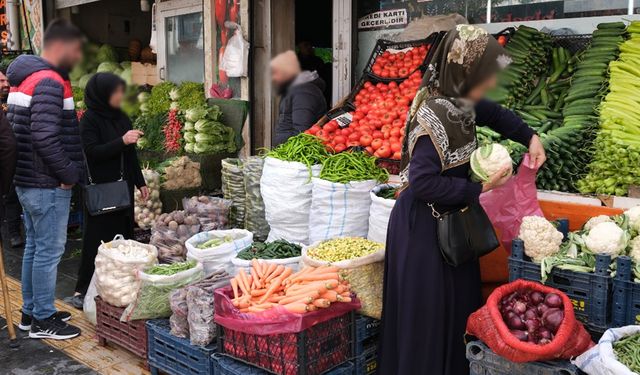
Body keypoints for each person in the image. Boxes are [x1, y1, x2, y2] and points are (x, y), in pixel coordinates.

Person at [377, 25, 546, 375]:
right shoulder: (435, 114)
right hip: (423, 230)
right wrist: (480, 190)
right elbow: (422, 182)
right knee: (429, 321)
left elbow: (496, 115)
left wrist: (531, 137)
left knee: (456, 312)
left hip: (452, 224)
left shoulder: (463, 102)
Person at [7, 19, 85, 340]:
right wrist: (68, 174)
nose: (78, 56)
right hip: (46, 182)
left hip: (27, 179)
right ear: (60, 47)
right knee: (49, 251)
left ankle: (31, 311)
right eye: (76, 49)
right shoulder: (51, 81)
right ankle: (43, 319)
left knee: (36, 248)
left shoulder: (25, 78)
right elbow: (44, 135)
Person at [65, 73, 147, 309]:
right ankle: (82, 290)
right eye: (116, 92)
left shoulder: (122, 117)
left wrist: (140, 183)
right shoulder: (89, 120)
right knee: (96, 241)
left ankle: (122, 286)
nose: (120, 96)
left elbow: (131, 155)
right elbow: (91, 152)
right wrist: (121, 141)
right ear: (103, 94)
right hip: (100, 189)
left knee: (124, 237)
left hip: (122, 188)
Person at [271, 50, 327, 145]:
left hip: (291, 149)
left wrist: (291, 151)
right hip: (287, 146)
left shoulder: (304, 92)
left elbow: (302, 131)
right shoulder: (298, 89)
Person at [0, 64, 24, 248]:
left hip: (18, 155)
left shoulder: (16, 98)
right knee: (10, 196)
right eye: (1, 81)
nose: (5, 84)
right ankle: (13, 232)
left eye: (6, 80)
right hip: (7, 158)